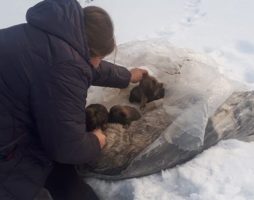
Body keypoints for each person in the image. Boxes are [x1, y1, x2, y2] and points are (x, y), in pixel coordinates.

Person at [0, 0, 147, 199]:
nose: (98, 64)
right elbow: (67, 148)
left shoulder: (52, 35)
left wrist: (127, 77)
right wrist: (96, 140)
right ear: (90, 51)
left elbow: (84, 66)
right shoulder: (64, 66)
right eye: (100, 57)